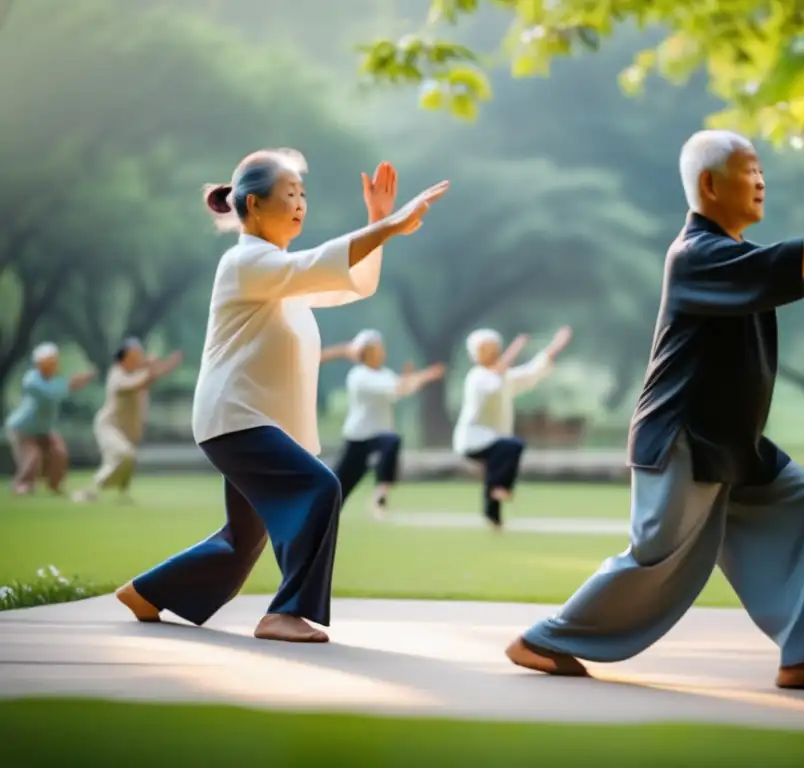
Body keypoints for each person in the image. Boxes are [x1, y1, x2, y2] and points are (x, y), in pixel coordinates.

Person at [505, 130, 804, 692]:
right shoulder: (696, 257)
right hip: (684, 439)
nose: (762, 180)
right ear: (711, 185)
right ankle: (545, 639)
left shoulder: (737, 259)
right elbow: (795, 262)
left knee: (800, 503)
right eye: (751, 169)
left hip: (735, 443)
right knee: (655, 558)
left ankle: (803, 658)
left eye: (763, 170)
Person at [114, 149, 449, 643]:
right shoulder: (246, 263)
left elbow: (346, 285)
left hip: (251, 421)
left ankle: (147, 592)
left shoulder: (280, 272)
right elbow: (320, 264)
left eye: (302, 195)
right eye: (288, 194)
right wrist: (389, 226)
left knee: (242, 539)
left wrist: (379, 224)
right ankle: (284, 614)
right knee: (321, 488)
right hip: (237, 418)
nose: (299, 204)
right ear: (251, 205)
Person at [453, 326, 572, 529]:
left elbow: (531, 372)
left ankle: (493, 517)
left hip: (493, 441)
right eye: (486, 350)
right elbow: (495, 379)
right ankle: (501, 487)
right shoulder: (477, 378)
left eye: (494, 349)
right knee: (512, 446)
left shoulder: (503, 378)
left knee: (497, 464)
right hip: (474, 440)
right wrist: (516, 347)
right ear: (476, 354)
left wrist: (555, 346)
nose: (492, 354)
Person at [322, 329, 445, 518]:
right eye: (375, 349)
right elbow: (397, 387)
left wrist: (425, 376)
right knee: (342, 483)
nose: (380, 352)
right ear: (364, 352)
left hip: (379, 434)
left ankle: (381, 494)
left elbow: (402, 389)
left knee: (391, 441)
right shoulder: (359, 375)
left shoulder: (384, 373)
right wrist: (419, 377)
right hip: (359, 435)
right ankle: (324, 512)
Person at [72, 339, 183, 504]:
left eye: (140, 356)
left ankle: (120, 495)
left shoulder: (138, 372)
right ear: (123, 358)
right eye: (134, 357)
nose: (139, 360)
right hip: (109, 426)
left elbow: (152, 375)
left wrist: (167, 365)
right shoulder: (117, 375)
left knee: (125, 461)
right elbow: (138, 384)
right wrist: (152, 369)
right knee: (125, 455)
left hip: (128, 428)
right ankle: (90, 490)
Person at [5, 343, 94, 495]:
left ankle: (55, 484)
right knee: (32, 458)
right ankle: (22, 485)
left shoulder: (54, 380)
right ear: (39, 363)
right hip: (23, 429)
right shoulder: (31, 380)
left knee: (59, 453)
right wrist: (70, 384)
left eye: (54, 361)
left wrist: (76, 383)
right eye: (49, 361)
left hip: (45, 429)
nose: (53, 364)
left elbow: (60, 389)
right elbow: (49, 394)